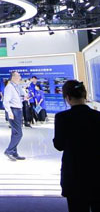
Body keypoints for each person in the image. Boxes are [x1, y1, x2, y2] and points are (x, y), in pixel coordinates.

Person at [53, 80, 100, 212]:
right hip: (96, 172)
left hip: (73, 173)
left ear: (67, 97)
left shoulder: (62, 117)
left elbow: (59, 145)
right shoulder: (97, 116)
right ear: (85, 95)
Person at [3, 72, 25, 161]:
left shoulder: (15, 87)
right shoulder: (9, 87)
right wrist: (9, 112)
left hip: (18, 110)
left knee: (15, 133)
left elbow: (15, 99)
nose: (20, 77)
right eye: (18, 76)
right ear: (13, 77)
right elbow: (6, 101)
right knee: (19, 133)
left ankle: (14, 153)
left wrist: (23, 99)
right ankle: (9, 151)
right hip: (14, 111)